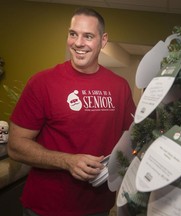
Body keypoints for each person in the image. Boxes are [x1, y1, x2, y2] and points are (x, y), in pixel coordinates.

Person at [7, 7, 136, 216]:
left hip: (97, 207)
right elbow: (15, 146)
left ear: (103, 41)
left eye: (88, 36)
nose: (78, 43)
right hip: (45, 207)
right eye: (73, 34)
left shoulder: (120, 87)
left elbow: (136, 135)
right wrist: (68, 161)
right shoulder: (42, 82)